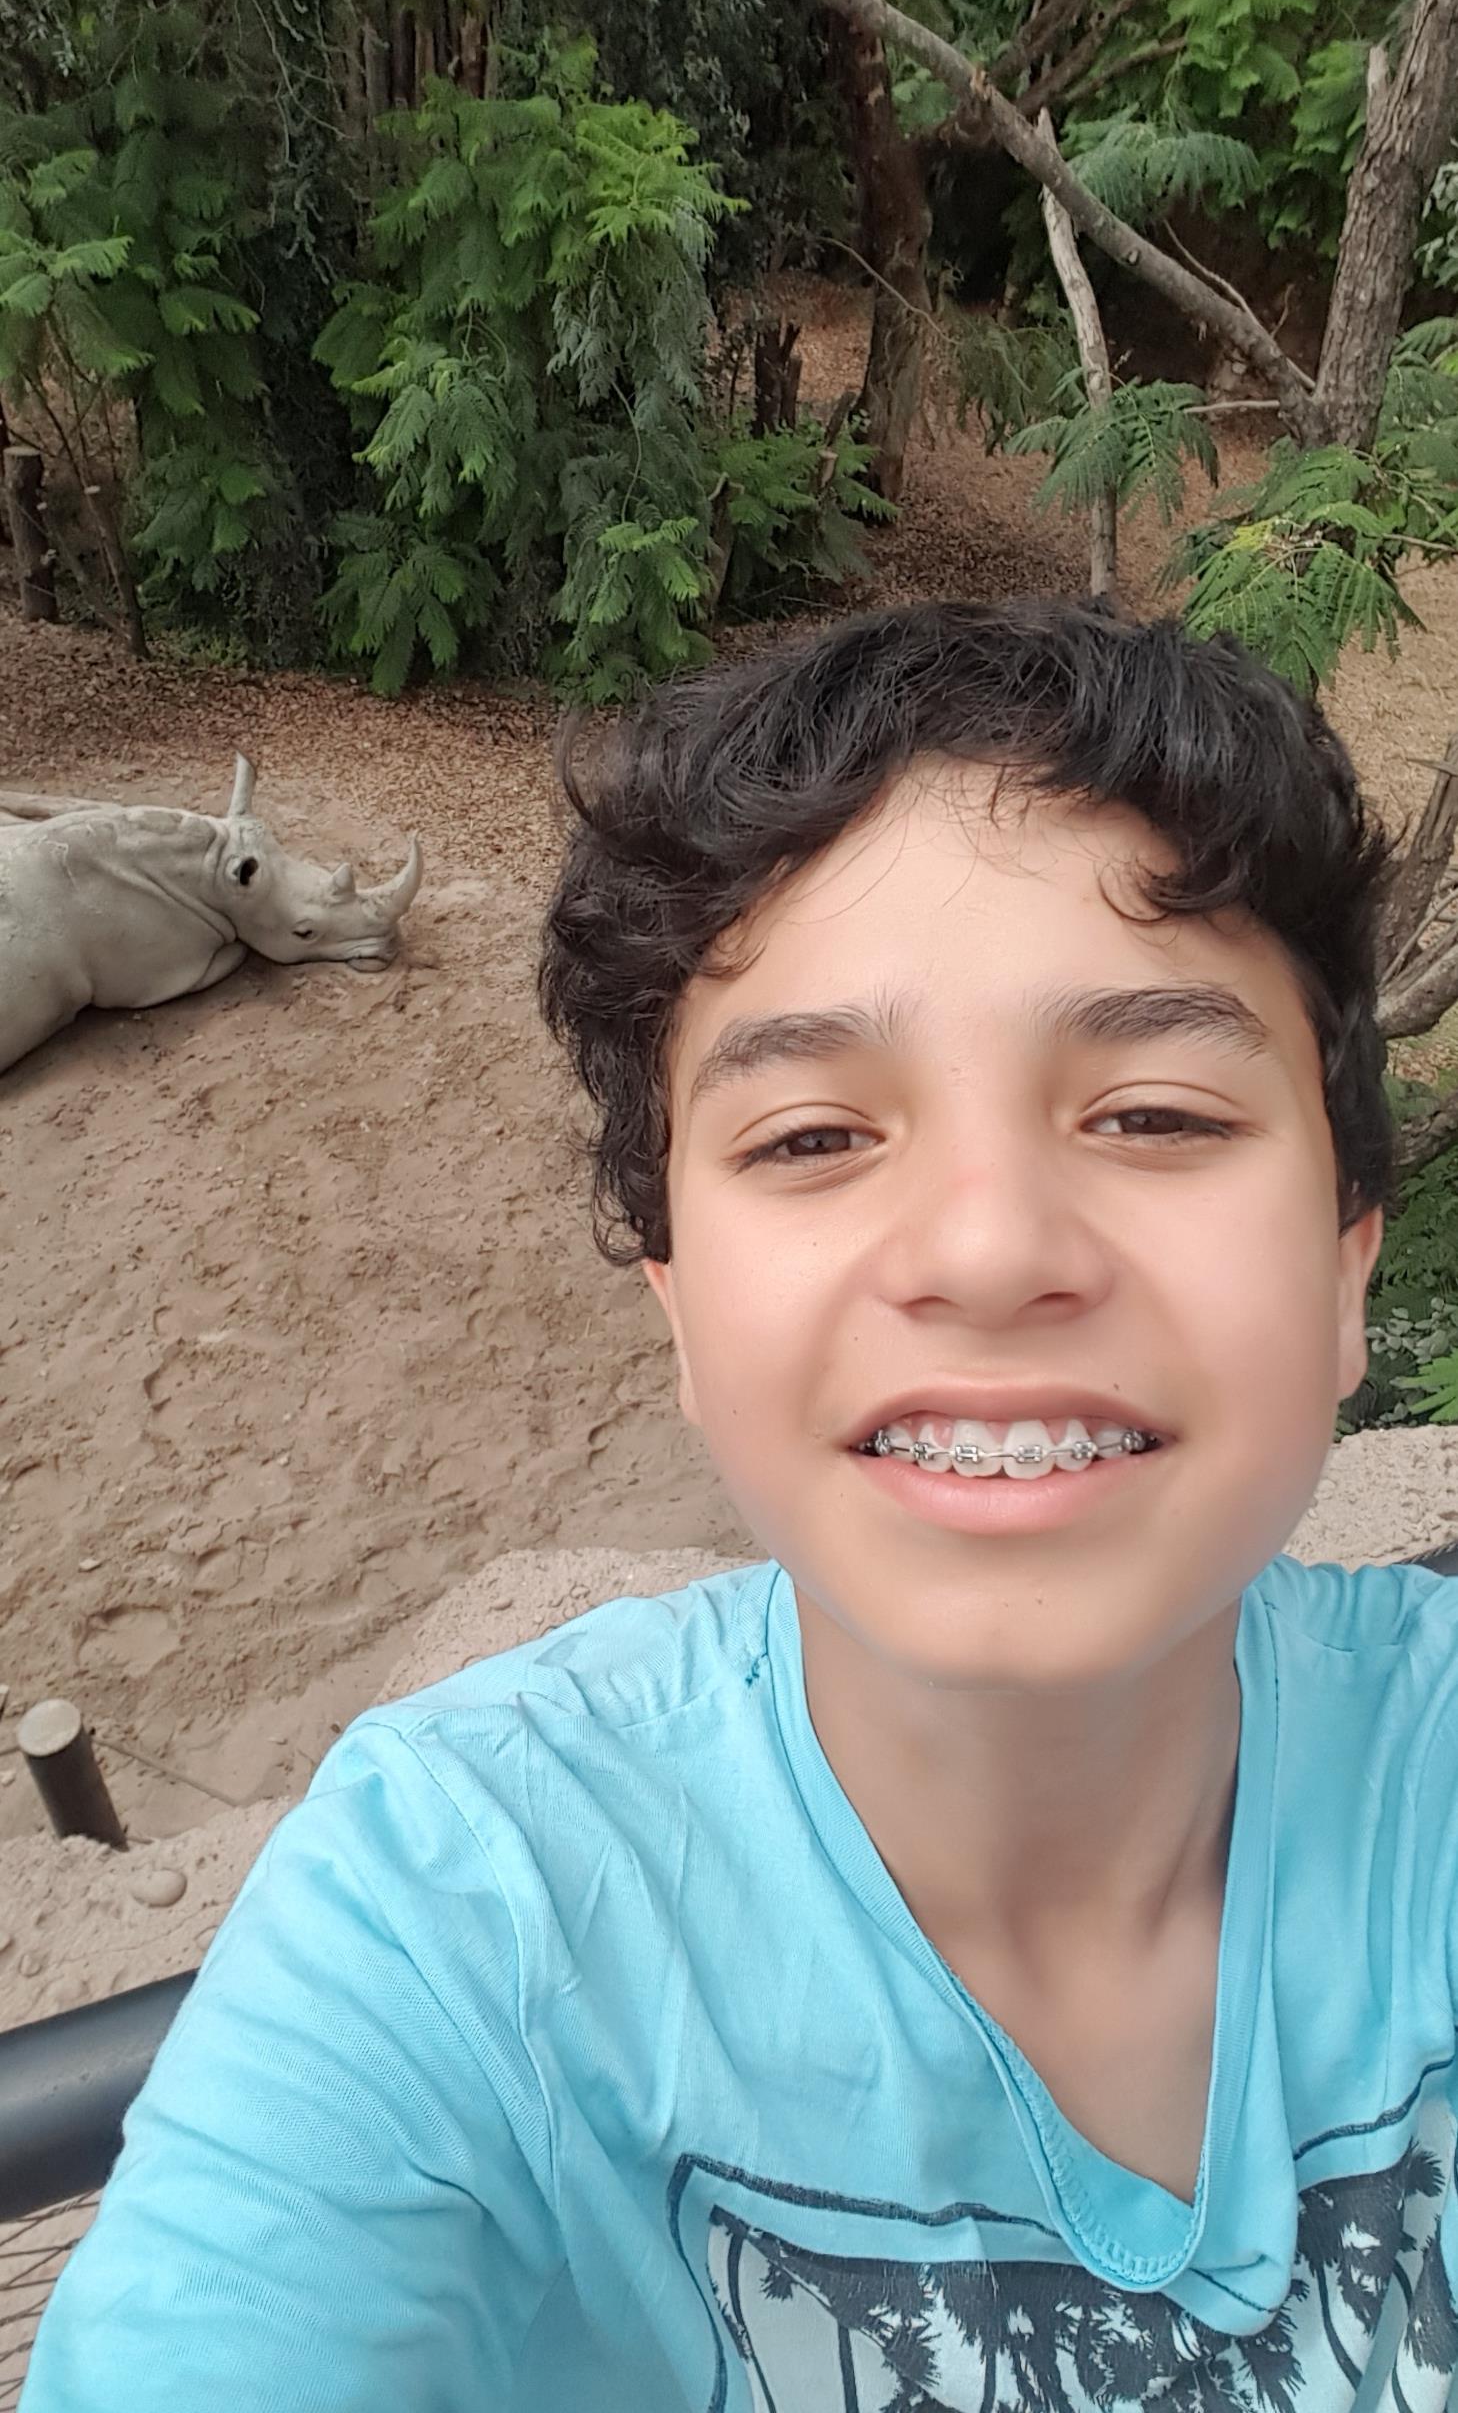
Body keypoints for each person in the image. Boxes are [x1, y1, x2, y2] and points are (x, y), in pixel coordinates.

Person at [22, 598, 1458, 2413]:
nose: (988, 1249)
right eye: (811, 1137)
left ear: (1343, 1273)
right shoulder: (461, 1912)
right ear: (681, 1317)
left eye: (1154, 1114)